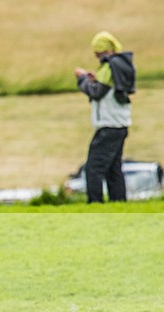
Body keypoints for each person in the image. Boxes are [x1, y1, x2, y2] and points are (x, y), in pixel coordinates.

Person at [75, 31, 135, 203]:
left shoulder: (109, 66)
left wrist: (82, 80)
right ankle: (118, 202)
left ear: (103, 51)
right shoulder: (120, 65)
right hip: (119, 125)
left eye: (98, 52)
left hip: (109, 126)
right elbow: (106, 87)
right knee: (113, 169)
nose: (96, 56)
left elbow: (96, 92)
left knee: (93, 168)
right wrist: (93, 79)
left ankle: (95, 203)